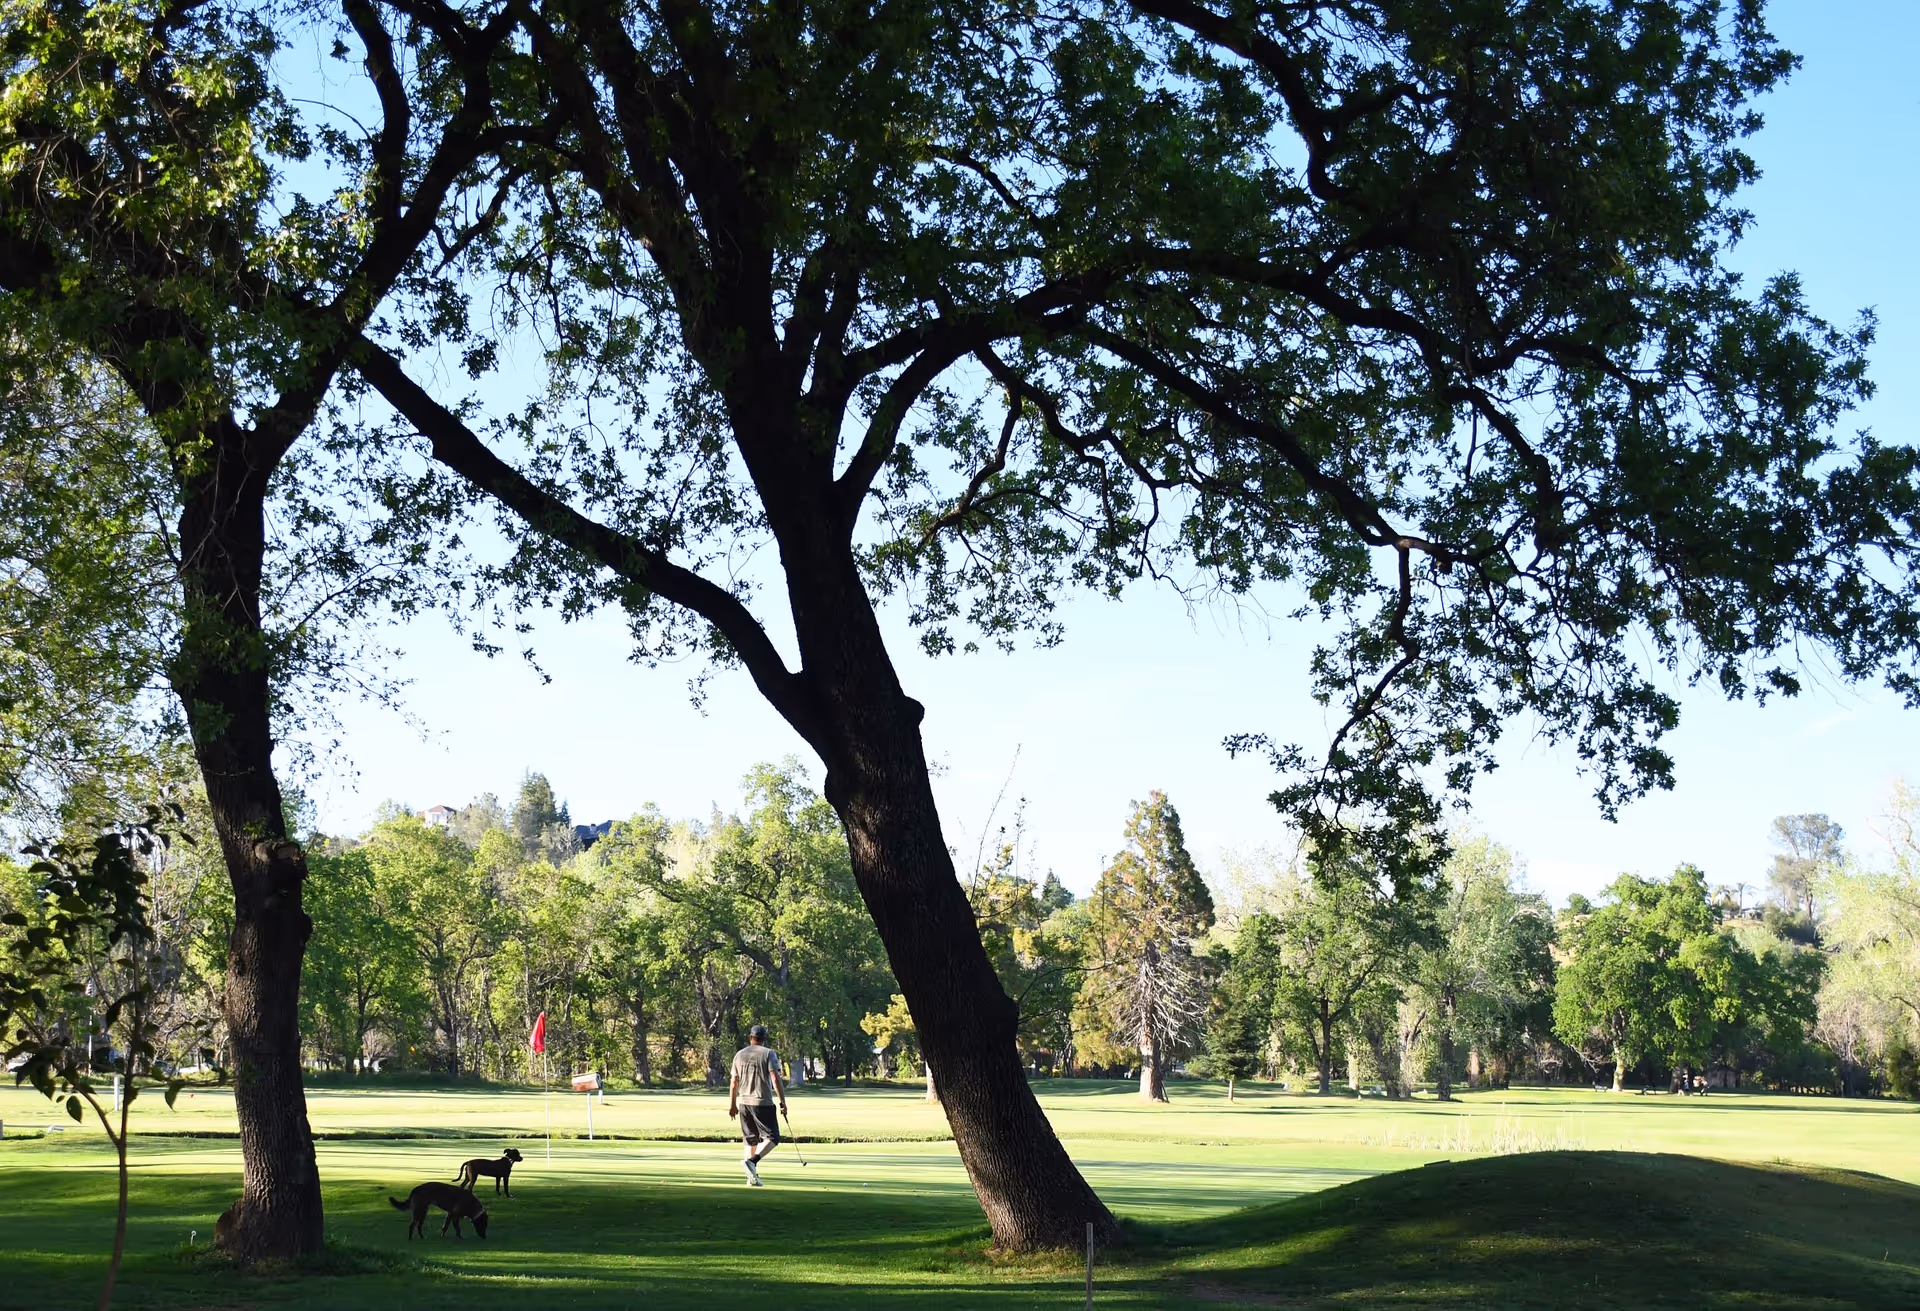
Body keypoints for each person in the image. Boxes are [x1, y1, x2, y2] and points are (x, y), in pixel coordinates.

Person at [728, 1023, 787, 1186]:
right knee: (773, 1138)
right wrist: (783, 1102)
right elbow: (775, 1078)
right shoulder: (769, 1053)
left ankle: (751, 1178)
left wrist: (732, 1105)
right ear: (764, 1039)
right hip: (763, 1102)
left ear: (750, 1038)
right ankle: (753, 1162)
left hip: (744, 1103)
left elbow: (734, 1082)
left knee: (751, 1141)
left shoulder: (739, 1055)